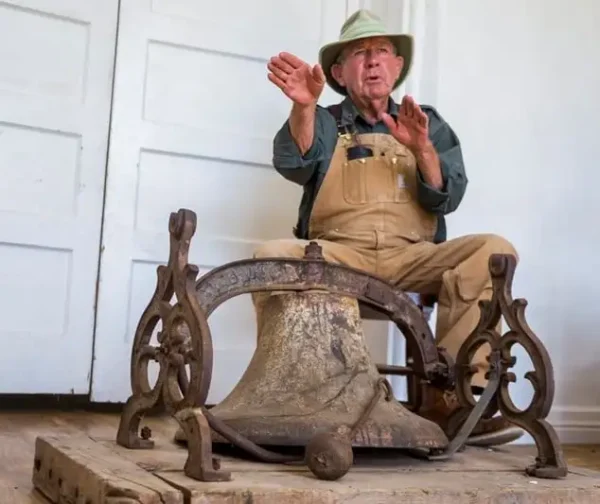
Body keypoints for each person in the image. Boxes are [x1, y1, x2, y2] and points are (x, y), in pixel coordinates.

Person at [256, 9, 523, 446]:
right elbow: (294, 163)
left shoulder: (428, 122)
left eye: (382, 51)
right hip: (340, 255)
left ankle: (457, 400)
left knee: (494, 251)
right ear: (340, 72)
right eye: (360, 53)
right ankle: (300, 399)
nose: (373, 60)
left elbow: (447, 197)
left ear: (398, 66)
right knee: (271, 256)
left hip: (413, 255)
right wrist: (303, 106)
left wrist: (423, 150)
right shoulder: (324, 120)